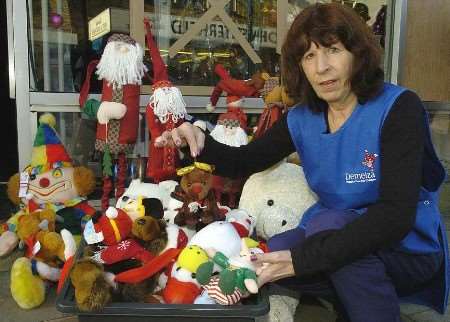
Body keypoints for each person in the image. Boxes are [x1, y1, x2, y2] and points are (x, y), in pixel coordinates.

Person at [154, 3, 448, 322]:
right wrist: (194, 140)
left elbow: (394, 218)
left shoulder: (397, 108)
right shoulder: (303, 117)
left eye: (333, 50)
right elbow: (242, 162)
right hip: (334, 233)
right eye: (309, 55)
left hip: (406, 248)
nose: (321, 67)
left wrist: (300, 260)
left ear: (357, 53)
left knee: (325, 232)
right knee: (263, 255)